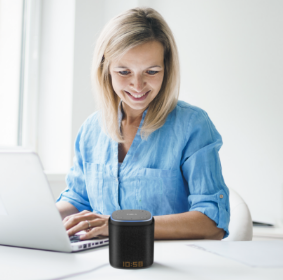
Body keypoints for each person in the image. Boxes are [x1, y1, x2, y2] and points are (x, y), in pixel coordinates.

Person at [56, 7, 230, 240]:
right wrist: (36, 219)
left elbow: (212, 222)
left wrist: (120, 225)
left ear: (166, 69)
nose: (138, 85)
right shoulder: (91, 129)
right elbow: (78, 199)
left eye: (151, 71)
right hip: (101, 261)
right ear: (105, 69)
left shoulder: (193, 125)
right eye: (124, 71)